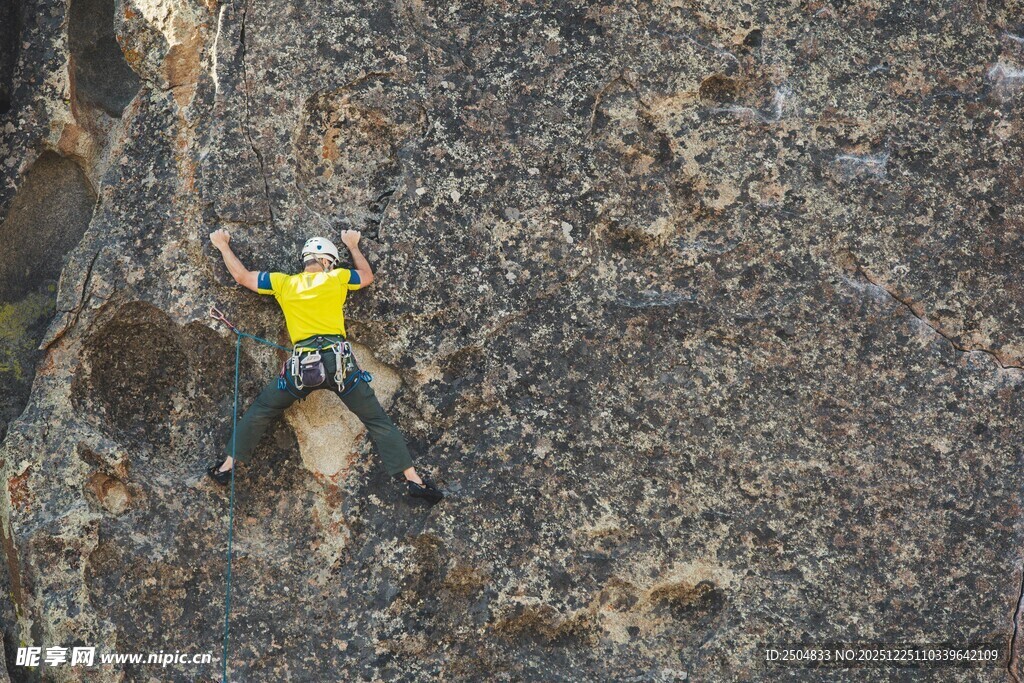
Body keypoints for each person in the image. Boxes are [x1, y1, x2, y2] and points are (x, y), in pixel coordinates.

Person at [206, 228, 443, 504]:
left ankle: (225, 468)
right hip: (338, 364)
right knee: (376, 420)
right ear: (328, 261)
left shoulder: (283, 283)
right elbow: (367, 277)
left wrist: (223, 245)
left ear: (306, 260)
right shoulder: (338, 278)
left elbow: (242, 277)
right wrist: (353, 246)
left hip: (302, 368)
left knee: (262, 410)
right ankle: (414, 480)